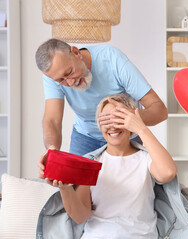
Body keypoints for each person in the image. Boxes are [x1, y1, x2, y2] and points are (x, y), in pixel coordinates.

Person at [37, 94, 188, 239]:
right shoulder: (91, 164)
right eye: (106, 119)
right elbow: (81, 217)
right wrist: (65, 190)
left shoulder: (146, 160)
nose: (112, 125)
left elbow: (167, 173)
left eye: (119, 118)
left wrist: (141, 127)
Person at [35, 38, 167, 157]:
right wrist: (51, 150)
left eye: (69, 73)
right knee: (73, 182)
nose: (69, 83)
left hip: (124, 135)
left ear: (76, 52)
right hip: (86, 137)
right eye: (61, 80)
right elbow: (52, 120)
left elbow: (160, 111)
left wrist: (128, 117)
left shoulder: (112, 59)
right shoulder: (52, 76)